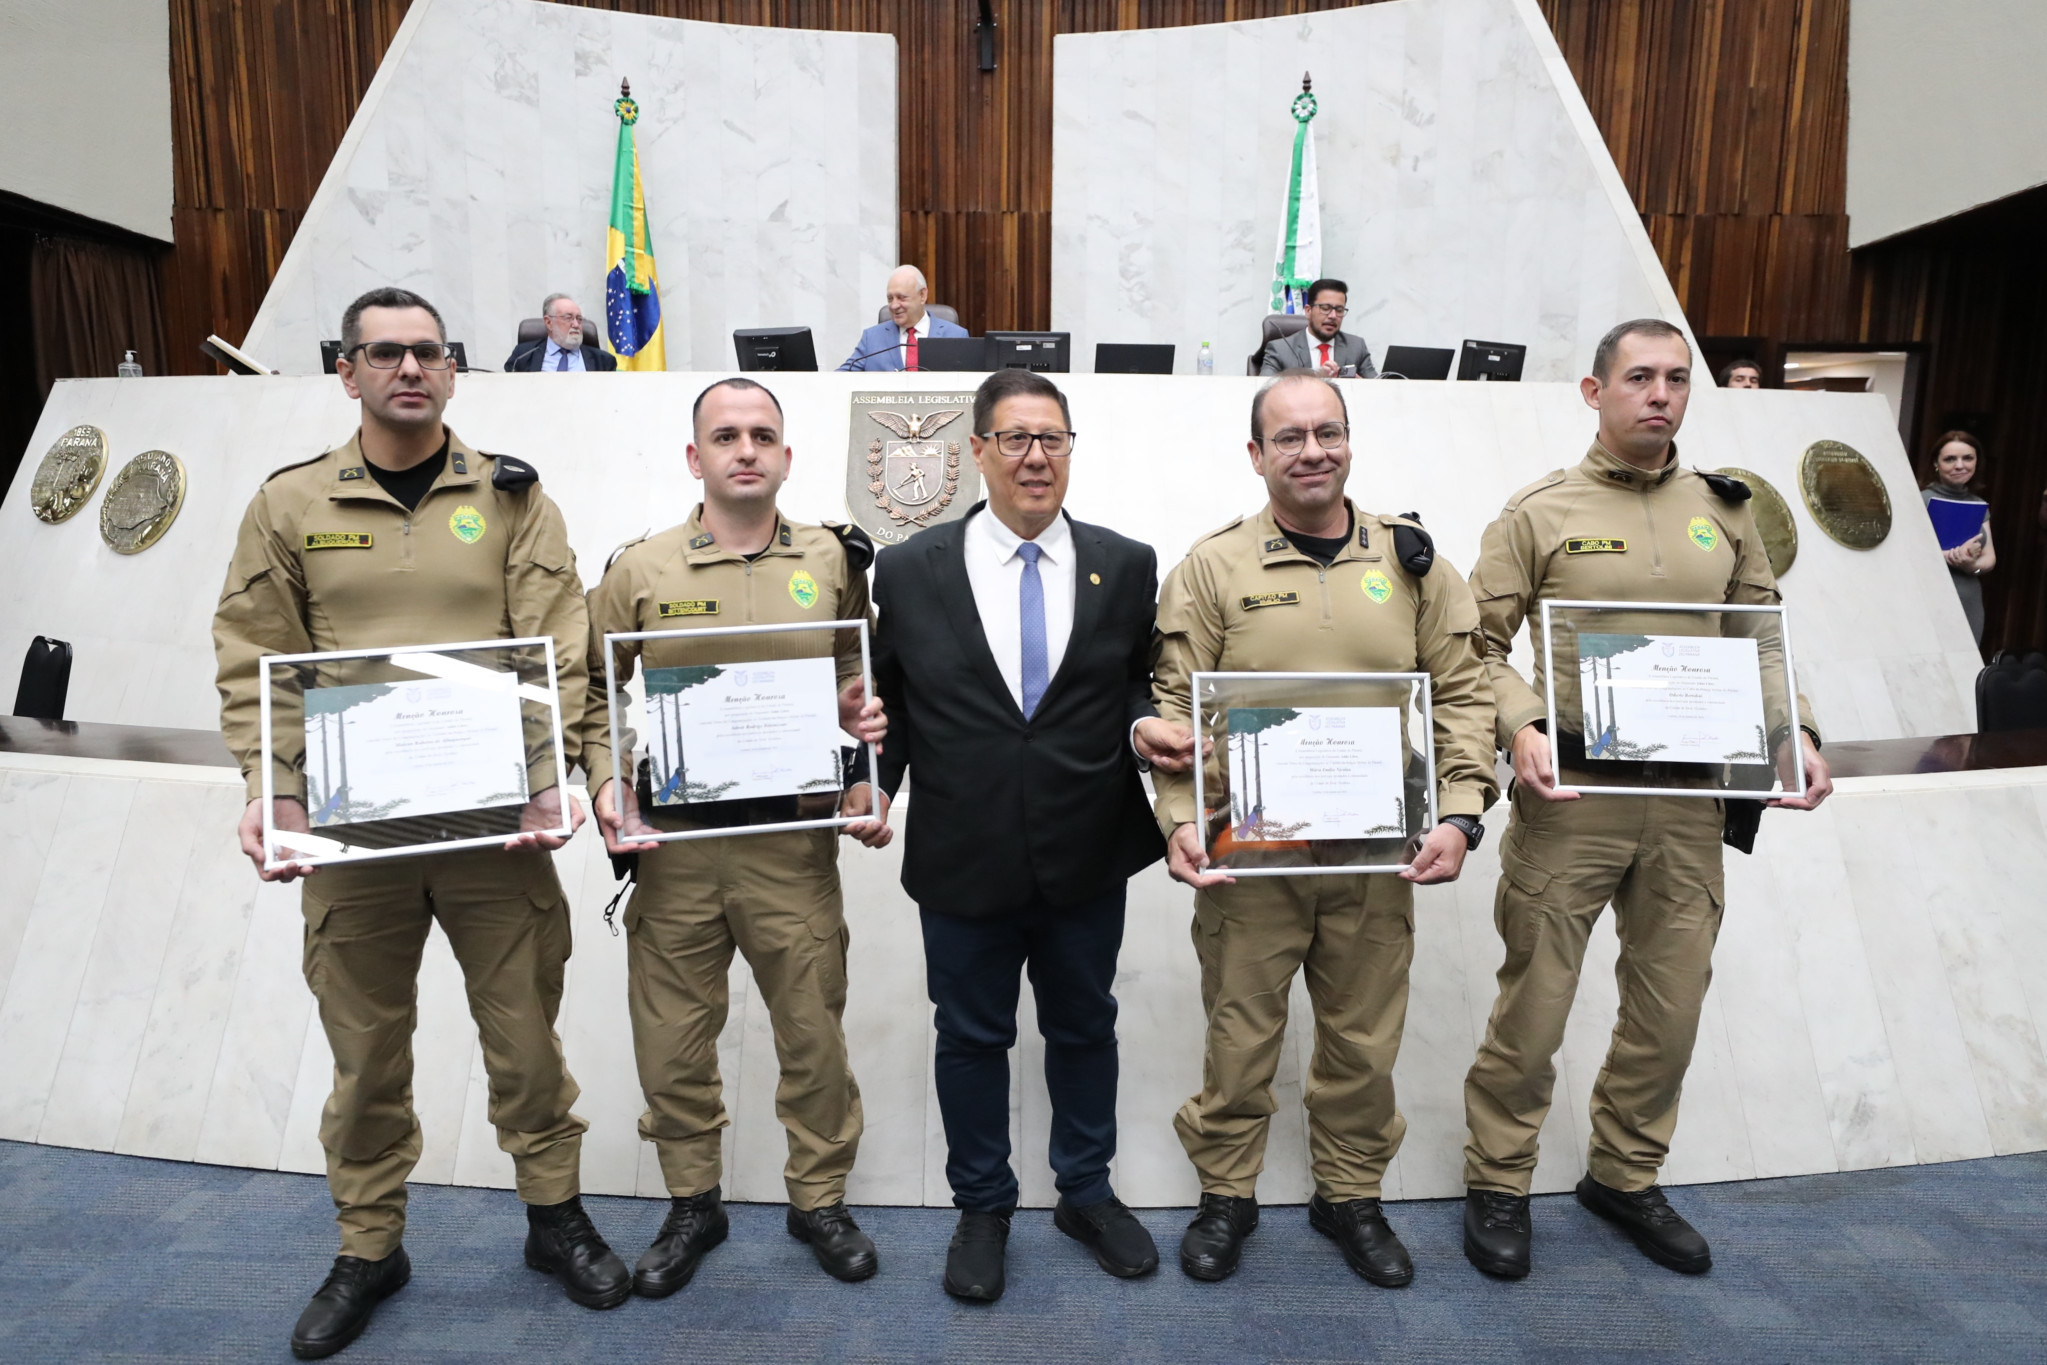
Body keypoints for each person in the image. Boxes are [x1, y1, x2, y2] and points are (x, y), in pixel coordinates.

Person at [213, 286, 629, 1359]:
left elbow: (554, 649)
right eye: (385, 354)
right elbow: (258, 659)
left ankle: (553, 1217)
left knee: (526, 1040)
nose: (410, 369)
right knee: (365, 1054)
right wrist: (273, 786)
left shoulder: (510, 499)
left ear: (452, 370)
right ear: (345, 372)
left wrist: (554, 781)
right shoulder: (289, 503)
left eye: (429, 353)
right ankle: (369, 1245)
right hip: (355, 839)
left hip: (496, 826)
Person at [1459, 318, 1833, 1283]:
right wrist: (1521, 725)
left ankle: (1624, 1173)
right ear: (1595, 392)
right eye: (1637, 377)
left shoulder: (1727, 510)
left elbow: (1759, 637)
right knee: (1535, 1005)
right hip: (1575, 793)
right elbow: (1472, 648)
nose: (1658, 394)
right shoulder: (1537, 512)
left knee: (1669, 1007)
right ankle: (1499, 1177)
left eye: (1674, 378)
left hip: (1689, 800)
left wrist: (1795, 730)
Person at [1150, 371, 1496, 1287]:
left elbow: (1461, 692)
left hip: (1377, 863)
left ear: (1348, 441)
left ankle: (1349, 1194)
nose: (1313, 451)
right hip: (1251, 865)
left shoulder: (1413, 560)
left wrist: (1460, 812)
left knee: (1361, 1040)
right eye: (1291, 437)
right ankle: (1226, 1193)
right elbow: (1171, 707)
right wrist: (1181, 823)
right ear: (1256, 455)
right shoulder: (1212, 568)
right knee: (1239, 1036)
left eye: (1328, 432)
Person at [870, 367, 1180, 1301]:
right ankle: (983, 1204)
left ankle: (1085, 1190)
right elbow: (888, 703)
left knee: (1086, 1025)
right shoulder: (910, 567)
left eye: (1052, 438)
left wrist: (1142, 725)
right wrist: (872, 788)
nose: (1035, 456)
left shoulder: (1124, 563)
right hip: (961, 855)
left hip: (1088, 847)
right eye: (1014, 438)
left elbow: (1130, 682)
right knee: (969, 1036)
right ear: (976, 451)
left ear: (1071, 450)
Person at [582, 377, 892, 1294]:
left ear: (787, 456)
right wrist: (607, 779)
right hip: (674, 848)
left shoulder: (832, 560)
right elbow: (594, 690)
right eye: (726, 435)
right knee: (673, 1039)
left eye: (762, 434)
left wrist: (861, 747)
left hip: (791, 847)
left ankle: (819, 1197)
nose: (745, 449)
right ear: (696, 457)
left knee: (812, 1033)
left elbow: (856, 668)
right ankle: (691, 1201)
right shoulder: (639, 570)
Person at [1921, 430, 1995, 645]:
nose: (1960, 465)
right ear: (1936, 463)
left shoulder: (1978, 503)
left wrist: (1971, 566)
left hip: (1968, 599)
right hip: (1929, 597)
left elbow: (1989, 559)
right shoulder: (1919, 499)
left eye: (1968, 458)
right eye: (1950, 459)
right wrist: (1947, 556)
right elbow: (1905, 553)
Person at [836, 264, 969, 372]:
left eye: (901, 298)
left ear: (922, 295)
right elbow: (842, 378)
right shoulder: (871, 338)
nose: (894, 305)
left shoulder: (955, 335)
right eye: (890, 299)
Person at [1260, 279, 1377, 378]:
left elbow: (1377, 388)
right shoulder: (1280, 350)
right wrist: (1317, 375)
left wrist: (1362, 385)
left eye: (1339, 310)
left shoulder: (1356, 347)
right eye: (1325, 308)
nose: (1333, 316)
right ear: (1308, 311)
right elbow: (1264, 390)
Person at [504, 294, 619, 372]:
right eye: (568, 318)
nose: (576, 324)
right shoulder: (522, 356)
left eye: (579, 319)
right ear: (549, 322)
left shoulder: (604, 361)